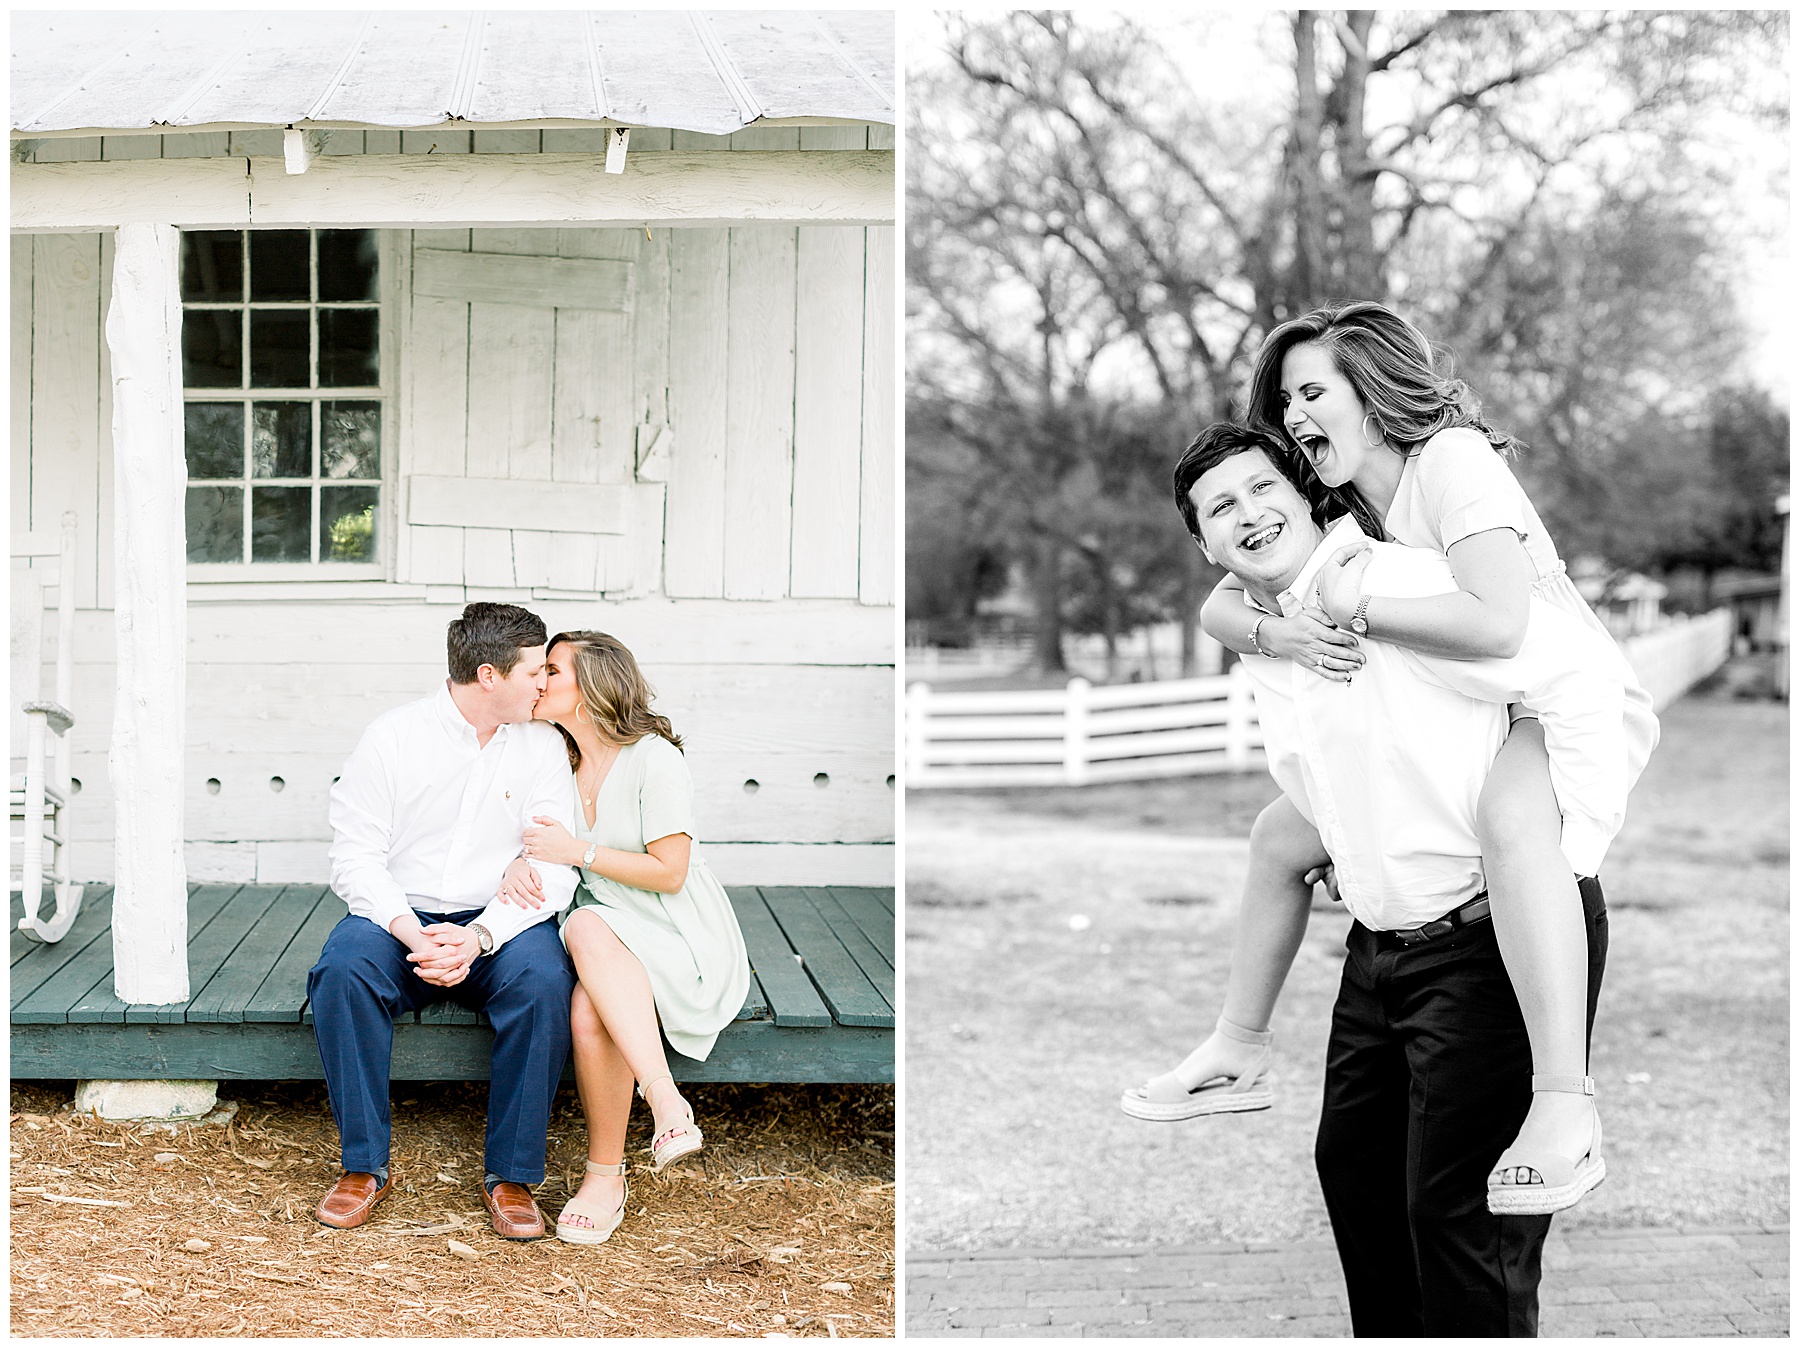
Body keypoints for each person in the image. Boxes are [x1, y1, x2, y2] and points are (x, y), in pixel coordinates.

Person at [1126, 302, 1656, 1215]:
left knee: (1509, 824)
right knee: (1280, 839)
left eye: (1312, 390)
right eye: (1283, 397)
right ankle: (1239, 1042)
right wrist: (1277, 634)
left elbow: (1501, 622)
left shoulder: (1449, 459)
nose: (1293, 412)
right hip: (1485, 689)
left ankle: (1568, 1105)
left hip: (1555, 691)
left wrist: (1350, 608)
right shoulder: (1339, 499)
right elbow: (1226, 597)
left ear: (1370, 390)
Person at [1169, 424, 1625, 1333]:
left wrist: (1551, 821)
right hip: (1378, 954)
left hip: (1491, 941)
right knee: (1357, 1180)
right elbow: (1326, 780)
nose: (1250, 514)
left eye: (1264, 490)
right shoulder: (1276, 632)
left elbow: (1582, 672)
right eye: (1222, 508)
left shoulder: (1391, 582)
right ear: (1207, 547)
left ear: (1308, 497)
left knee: (1459, 1222)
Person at [310, 602, 580, 1239]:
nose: (544, 684)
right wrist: (414, 932)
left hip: (500, 921)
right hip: (399, 914)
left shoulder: (542, 747)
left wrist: (480, 934)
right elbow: (353, 858)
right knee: (341, 973)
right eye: (534, 671)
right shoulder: (392, 737)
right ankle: (363, 1166)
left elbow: (556, 864)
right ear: (489, 676)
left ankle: (512, 1175)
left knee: (544, 985)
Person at [495, 630, 750, 1245]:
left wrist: (578, 851)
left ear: (590, 686)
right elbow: (514, 832)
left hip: (674, 928)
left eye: (551, 670)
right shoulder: (553, 754)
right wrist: (512, 863)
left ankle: (658, 1105)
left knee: (584, 936)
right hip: (604, 932)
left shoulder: (654, 757)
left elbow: (670, 872)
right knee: (586, 1007)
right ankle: (610, 1171)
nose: (538, 679)